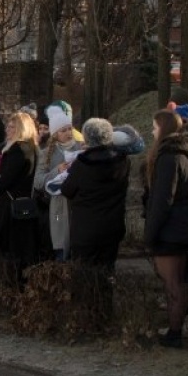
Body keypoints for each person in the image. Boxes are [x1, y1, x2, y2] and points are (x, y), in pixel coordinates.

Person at [143, 110, 188, 347]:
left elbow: (163, 199)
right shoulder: (185, 155)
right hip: (182, 227)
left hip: (171, 230)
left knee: (172, 283)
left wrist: (150, 233)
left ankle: (175, 332)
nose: (152, 131)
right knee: (180, 281)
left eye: (155, 126)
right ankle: (177, 327)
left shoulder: (169, 158)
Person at [62, 118, 142, 276]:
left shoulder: (82, 164)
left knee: (84, 275)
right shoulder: (122, 162)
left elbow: (67, 189)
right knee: (107, 272)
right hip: (112, 226)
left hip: (85, 229)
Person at [0, 110, 42, 268]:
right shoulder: (33, 150)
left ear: (20, 129)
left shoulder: (17, 150)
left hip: (10, 205)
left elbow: (6, 178)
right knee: (24, 250)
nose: (7, 130)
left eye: (11, 127)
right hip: (26, 204)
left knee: (10, 250)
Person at [35, 104, 82, 260]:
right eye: (63, 130)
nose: (68, 133)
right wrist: (57, 171)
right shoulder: (46, 153)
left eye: (69, 128)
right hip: (58, 207)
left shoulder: (82, 148)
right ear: (55, 134)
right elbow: (38, 182)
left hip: (78, 204)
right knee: (61, 251)